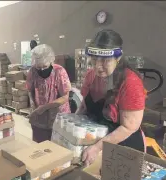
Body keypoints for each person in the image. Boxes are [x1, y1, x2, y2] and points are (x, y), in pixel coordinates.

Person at [76, 29, 146, 166]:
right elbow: (84, 107)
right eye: (94, 60)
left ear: (118, 58)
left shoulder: (130, 82)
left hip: (124, 148)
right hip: (95, 142)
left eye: (105, 61)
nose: (98, 66)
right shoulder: (91, 75)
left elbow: (129, 127)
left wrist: (97, 148)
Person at [26, 44, 71, 143]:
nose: (42, 70)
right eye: (39, 67)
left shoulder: (59, 72)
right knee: (40, 146)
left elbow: (65, 97)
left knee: (56, 147)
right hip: (40, 115)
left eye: (45, 67)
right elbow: (30, 91)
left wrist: (45, 107)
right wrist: (33, 107)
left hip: (58, 116)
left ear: (51, 61)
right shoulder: (32, 71)